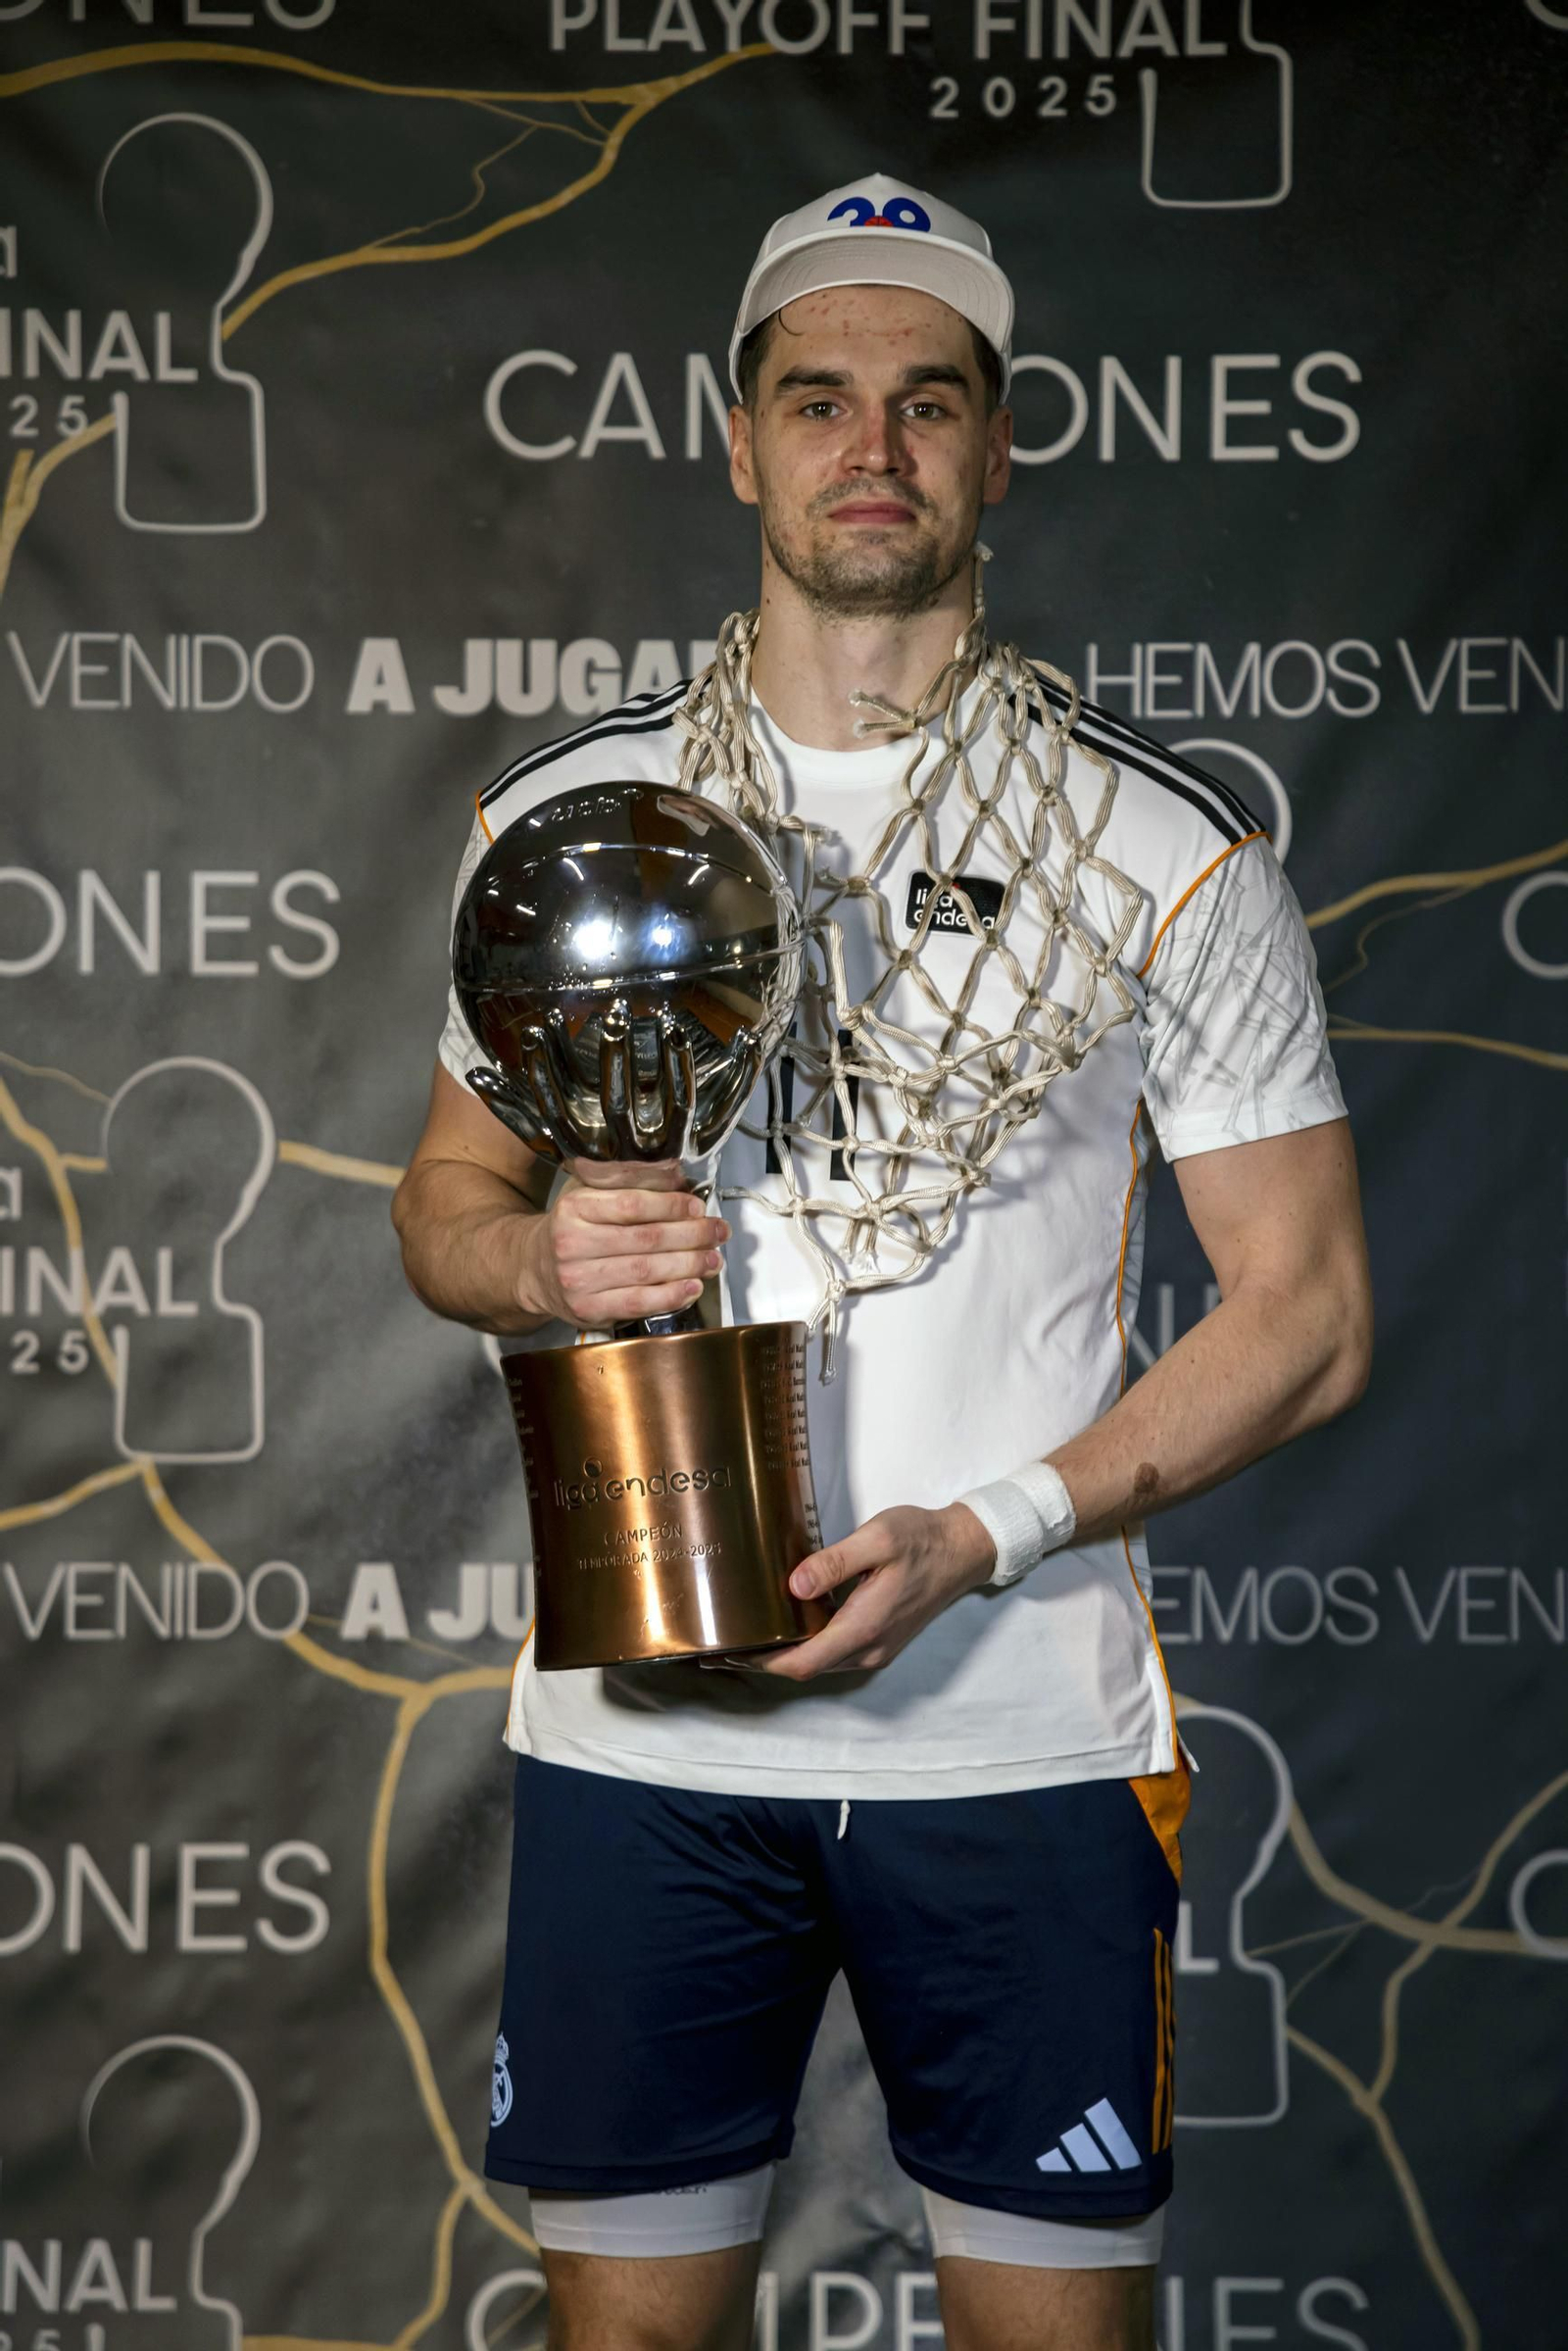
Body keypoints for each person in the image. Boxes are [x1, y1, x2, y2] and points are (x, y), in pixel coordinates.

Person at [392, 173, 1373, 2351]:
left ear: (994, 444)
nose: (869, 446)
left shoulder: (1155, 846)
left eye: (924, 402)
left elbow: (1300, 1316)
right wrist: (544, 1259)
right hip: (645, 1743)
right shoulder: (583, 820)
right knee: (630, 2337)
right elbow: (440, 1214)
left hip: (1014, 1740)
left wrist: (987, 1531)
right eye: (815, 399)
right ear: (732, 441)